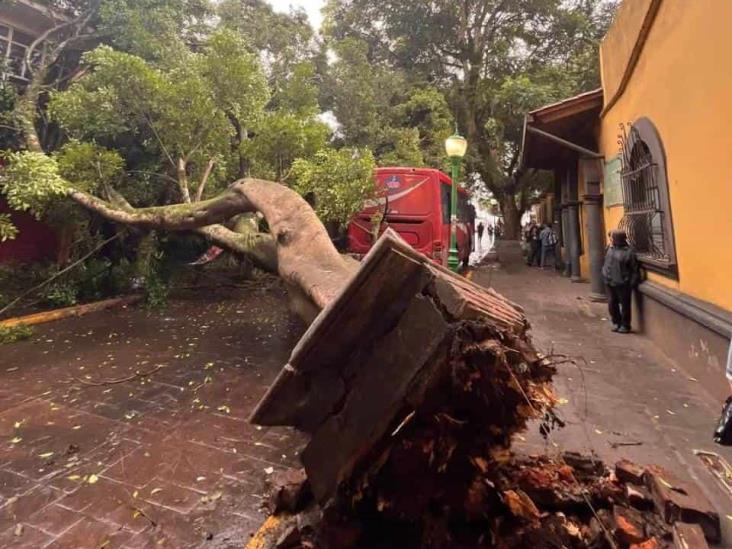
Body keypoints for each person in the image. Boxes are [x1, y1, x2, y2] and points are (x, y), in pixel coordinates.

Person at [601, 229, 639, 333]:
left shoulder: (628, 252)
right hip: (609, 281)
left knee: (625, 305)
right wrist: (604, 274)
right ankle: (616, 322)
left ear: (617, 239)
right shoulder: (610, 248)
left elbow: (634, 269)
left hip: (623, 283)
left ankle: (625, 325)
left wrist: (631, 282)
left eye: (612, 238)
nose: (610, 239)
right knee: (612, 303)